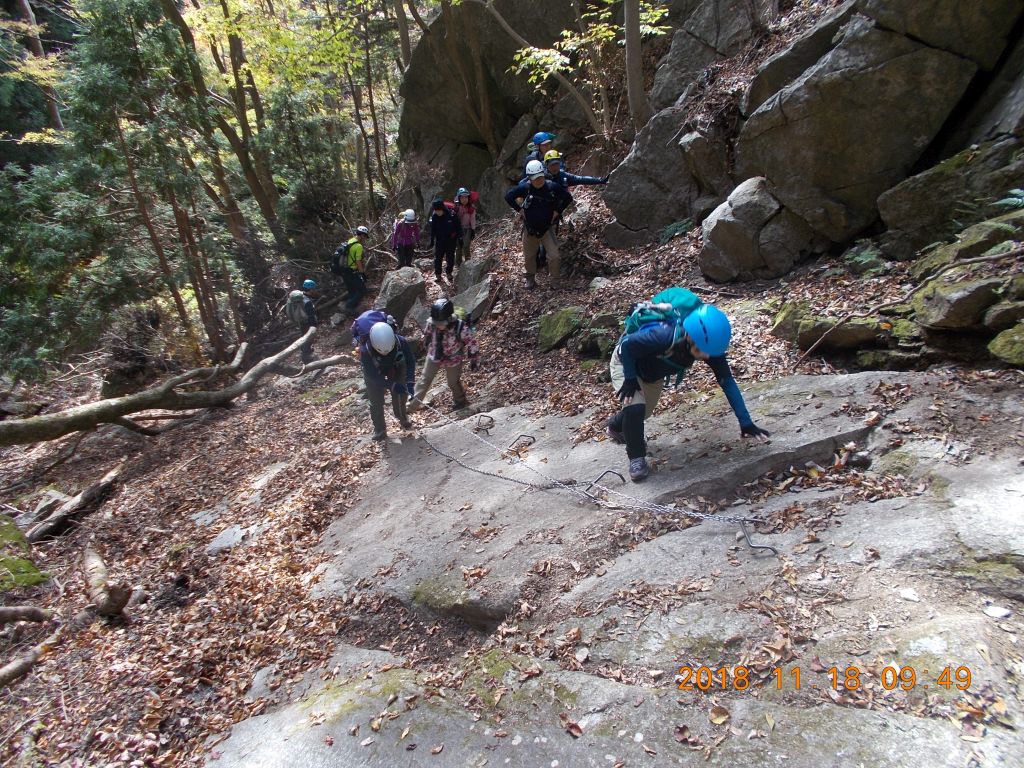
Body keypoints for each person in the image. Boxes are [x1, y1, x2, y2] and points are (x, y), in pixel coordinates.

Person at [607, 293, 770, 482]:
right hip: (625, 362)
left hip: (652, 374)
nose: (706, 357)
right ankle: (636, 459)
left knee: (642, 414)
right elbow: (626, 347)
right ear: (690, 337)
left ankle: (615, 425)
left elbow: (727, 382)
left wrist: (746, 422)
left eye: (709, 353)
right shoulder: (662, 335)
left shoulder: (709, 347)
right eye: (702, 352)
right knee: (635, 408)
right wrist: (629, 379)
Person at [504, 160, 573, 289]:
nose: (539, 180)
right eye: (535, 178)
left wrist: (557, 211)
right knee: (529, 257)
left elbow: (568, 198)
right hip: (530, 229)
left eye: (540, 177)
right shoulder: (525, 188)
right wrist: (520, 210)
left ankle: (555, 281)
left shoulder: (552, 186)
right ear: (529, 178)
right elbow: (508, 196)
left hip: (547, 228)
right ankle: (530, 279)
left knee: (554, 256)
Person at [352, 310, 415, 442]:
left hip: (396, 364)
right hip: (375, 369)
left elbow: (410, 361)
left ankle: (403, 418)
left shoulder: (400, 341)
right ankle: (380, 429)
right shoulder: (365, 351)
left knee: (402, 393)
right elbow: (372, 376)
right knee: (376, 401)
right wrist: (391, 385)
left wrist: (410, 382)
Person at [409, 299, 480, 413]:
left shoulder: (460, 327)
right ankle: (411, 406)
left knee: (452, 382)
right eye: (436, 322)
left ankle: (460, 401)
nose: (438, 325)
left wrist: (474, 360)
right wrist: (424, 345)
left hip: (453, 358)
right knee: (424, 380)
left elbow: (472, 342)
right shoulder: (432, 323)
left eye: (440, 323)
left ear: (448, 319)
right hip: (434, 354)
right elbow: (427, 335)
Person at [336, 225, 369, 317]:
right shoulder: (358, 246)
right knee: (362, 290)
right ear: (362, 235)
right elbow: (358, 261)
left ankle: (352, 306)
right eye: (365, 236)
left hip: (344, 270)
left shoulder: (350, 241)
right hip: (351, 270)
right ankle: (349, 306)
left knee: (351, 289)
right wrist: (362, 273)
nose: (365, 239)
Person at [427, 198, 462, 282]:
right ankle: (438, 274)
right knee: (438, 258)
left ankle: (449, 273)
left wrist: (460, 238)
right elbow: (433, 229)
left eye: (439, 210)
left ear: (442, 208)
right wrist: (432, 240)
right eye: (436, 210)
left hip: (451, 240)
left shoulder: (452, 215)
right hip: (439, 240)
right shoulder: (435, 216)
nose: (438, 212)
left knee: (450, 258)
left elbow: (458, 228)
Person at [285, 283, 318, 363]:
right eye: (313, 289)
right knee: (308, 337)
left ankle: (307, 350)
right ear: (311, 289)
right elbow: (311, 316)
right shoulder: (306, 302)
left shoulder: (295, 297)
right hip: (306, 321)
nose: (314, 290)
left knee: (303, 335)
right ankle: (306, 356)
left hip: (299, 320)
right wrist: (314, 326)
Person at [543, 150, 608, 189]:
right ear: (546, 165)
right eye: (552, 165)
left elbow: (581, 179)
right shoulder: (542, 178)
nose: (555, 167)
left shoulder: (563, 175)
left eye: (557, 164)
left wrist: (601, 180)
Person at [453, 188, 478, 267]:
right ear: (459, 198)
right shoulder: (456, 208)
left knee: (466, 245)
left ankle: (468, 262)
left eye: (466, 197)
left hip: (468, 229)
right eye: (462, 198)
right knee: (459, 246)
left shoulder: (471, 208)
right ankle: (458, 263)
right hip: (458, 229)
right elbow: (454, 219)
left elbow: (473, 219)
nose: (464, 199)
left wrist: (473, 230)